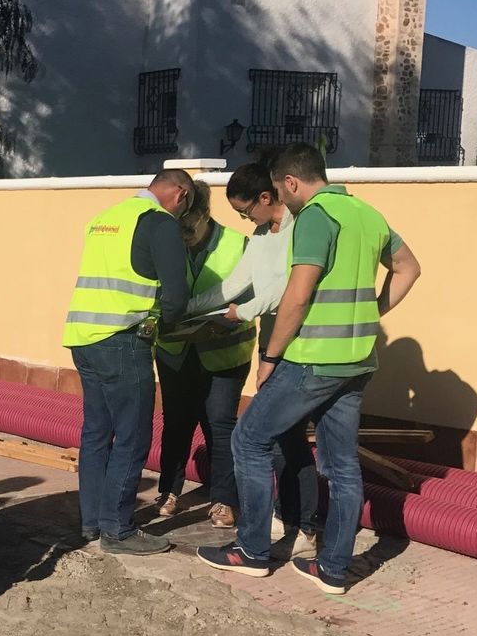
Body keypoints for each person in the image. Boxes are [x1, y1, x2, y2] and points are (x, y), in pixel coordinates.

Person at [199, 144, 422, 594]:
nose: (281, 198)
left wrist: (270, 357)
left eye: (281, 189)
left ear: (291, 182)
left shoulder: (316, 217)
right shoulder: (369, 215)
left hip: (313, 358)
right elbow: (409, 268)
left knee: (248, 439)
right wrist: (373, 312)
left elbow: (297, 296)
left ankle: (251, 551)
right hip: (358, 359)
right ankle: (334, 568)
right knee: (341, 466)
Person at [185, 161, 318, 555]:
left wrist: (240, 313)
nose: (245, 219)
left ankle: (300, 524)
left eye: (246, 210)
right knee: (280, 438)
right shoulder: (261, 235)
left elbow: (287, 290)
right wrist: (190, 308)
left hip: (297, 342)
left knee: (274, 437)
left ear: (266, 196)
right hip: (270, 340)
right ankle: (289, 520)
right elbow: (235, 283)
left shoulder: (299, 229)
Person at [62, 169, 192, 555]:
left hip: (84, 338)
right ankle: (118, 529)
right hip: (122, 340)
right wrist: (167, 324)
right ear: (180, 194)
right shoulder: (160, 224)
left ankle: (92, 522)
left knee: (96, 434)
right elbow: (176, 296)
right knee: (132, 437)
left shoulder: (106, 219)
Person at [152, 185, 255, 529]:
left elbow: (255, 298)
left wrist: (226, 319)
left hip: (224, 352)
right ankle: (168, 491)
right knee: (176, 421)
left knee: (220, 424)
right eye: (177, 226)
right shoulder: (164, 241)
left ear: (205, 216)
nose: (182, 236)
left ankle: (225, 499)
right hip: (175, 351)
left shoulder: (240, 246)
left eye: (188, 228)